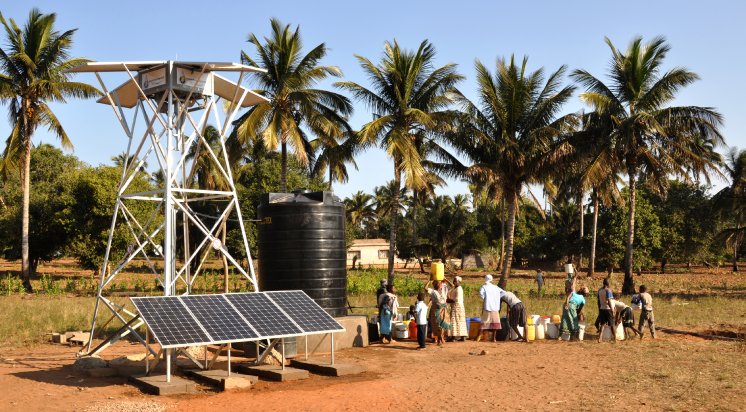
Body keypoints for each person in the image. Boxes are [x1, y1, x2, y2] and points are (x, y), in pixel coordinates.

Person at [478, 274, 503, 341]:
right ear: (491, 279)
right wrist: (497, 298)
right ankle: (494, 338)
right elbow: (503, 292)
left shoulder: (484, 287)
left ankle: (478, 337)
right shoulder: (496, 287)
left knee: (484, 322)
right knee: (495, 323)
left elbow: (481, 294)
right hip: (495, 307)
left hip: (487, 307)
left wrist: (485, 299)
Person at [427, 280, 451, 345]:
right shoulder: (433, 291)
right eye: (439, 284)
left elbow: (451, 286)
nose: (441, 285)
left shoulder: (443, 289)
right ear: (436, 285)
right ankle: (439, 338)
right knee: (437, 324)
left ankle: (441, 337)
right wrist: (429, 281)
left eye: (441, 284)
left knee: (444, 323)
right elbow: (425, 288)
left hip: (443, 309)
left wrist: (446, 280)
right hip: (436, 310)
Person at [447, 276, 467, 342]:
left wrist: (448, 300)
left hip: (457, 306)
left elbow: (457, 299)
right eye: (454, 280)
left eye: (455, 280)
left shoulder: (459, 289)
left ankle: (454, 337)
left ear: (458, 281)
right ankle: (462, 336)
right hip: (457, 306)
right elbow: (451, 286)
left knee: (454, 321)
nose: (454, 281)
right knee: (460, 321)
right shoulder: (455, 288)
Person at [596, 278, 616, 342]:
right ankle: (615, 338)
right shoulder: (608, 291)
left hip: (602, 309)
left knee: (602, 324)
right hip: (608, 309)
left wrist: (599, 308)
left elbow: (598, 301)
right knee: (611, 324)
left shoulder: (599, 290)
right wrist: (612, 309)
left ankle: (600, 338)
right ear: (608, 283)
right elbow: (609, 300)